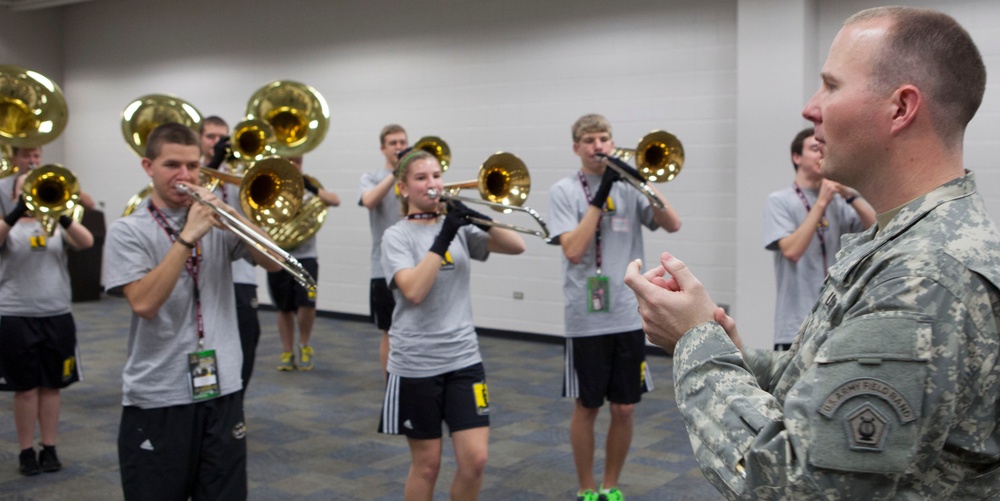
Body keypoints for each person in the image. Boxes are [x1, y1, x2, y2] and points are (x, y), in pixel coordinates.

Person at [625, 7, 1000, 499]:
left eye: (831, 85)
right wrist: (719, 345)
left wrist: (696, 340)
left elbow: (795, 484)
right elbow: (819, 382)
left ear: (901, 108)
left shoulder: (924, 276)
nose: (810, 108)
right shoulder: (902, 240)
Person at [103, 122, 282, 499]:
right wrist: (187, 237)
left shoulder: (215, 221)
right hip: (160, 394)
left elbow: (275, 262)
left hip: (222, 388)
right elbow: (144, 303)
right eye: (172, 165)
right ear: (148, 167)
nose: (183, 176)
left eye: (192, 166)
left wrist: (234, 215)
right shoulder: (127, 231)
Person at [548, 114, 681, 501]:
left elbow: (672, 222)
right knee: (588, 405)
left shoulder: (629, 188)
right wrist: (602, 190)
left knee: (625, 408)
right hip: (586, 318)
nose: (598, 146)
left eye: (604, 138)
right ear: (577, 147)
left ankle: (611, 484)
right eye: (590, 140)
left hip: (627, 314)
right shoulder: (563, 191)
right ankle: (587, 487)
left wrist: (641, 182)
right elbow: (574, 251)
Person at [378, 149, 525, 500]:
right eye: (421, 178)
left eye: (436, 176)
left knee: (475, 461)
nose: (432, 183)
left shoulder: (459, 228)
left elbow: (516, 245)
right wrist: (444, 234)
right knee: (428, 465)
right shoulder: (396, 237)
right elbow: (414, 290)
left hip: (463, 360)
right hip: (416, 364)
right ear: (403, 188)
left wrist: (479, 218)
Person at [0, 172, 93, 475]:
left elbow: (87, 241)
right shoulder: (9, 226)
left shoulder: (55, 226)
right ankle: (26, 450)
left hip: (56, 314)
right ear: (15, 195)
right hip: (17, 316)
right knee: (26, 389)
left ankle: (49, 447)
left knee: (52, 386)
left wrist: (62, 215)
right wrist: (16, 213)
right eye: (24, 190)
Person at [764, 127, 874, 350]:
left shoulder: (841, 202)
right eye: (814, 149)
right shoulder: (779, 200)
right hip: (795, 325)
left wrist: (850, 195)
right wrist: (822, 201)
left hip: (836, 321)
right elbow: (792, 251)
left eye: (822, 148)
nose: (820, 154)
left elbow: (879, 228)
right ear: (797, 157)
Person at [200, 116, 264, 390]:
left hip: (242, 274)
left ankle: (237, 398)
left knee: (248, 336)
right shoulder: (194, 174)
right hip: (204, 271)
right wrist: (214, 163)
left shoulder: (239, 175)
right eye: (211, 137)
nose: (218, 143)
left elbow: (256, 218)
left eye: (223, 138)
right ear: (200, 140)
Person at [268, 154, 339, 371]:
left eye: (297, 161)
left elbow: (335, 200)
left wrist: (311, 188)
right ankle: (287, 351)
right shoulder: (270, 185)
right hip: (279, 255)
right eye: (289, 160)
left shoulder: (309, 185)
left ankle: (304, 345)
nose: (293, 164)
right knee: (284, 307)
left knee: (307, 303)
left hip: (307, 256)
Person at [359, 124, 408, 379]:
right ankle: (391, 384)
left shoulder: (414, 178)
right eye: (393, 143)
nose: (399, 147)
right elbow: (369, 201)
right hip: (384, 267)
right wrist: (395, 175)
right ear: (383, 148)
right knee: (389, 330)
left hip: (416, 265)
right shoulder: (372, 176)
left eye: (402, 142)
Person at [0, 146, 96, 216]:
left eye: (36, 156)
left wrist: (70, 187)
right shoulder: (2, 186)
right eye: (26, 156)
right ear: (14, 159)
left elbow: (90, 205)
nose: (32, 161)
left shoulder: (50, 181)